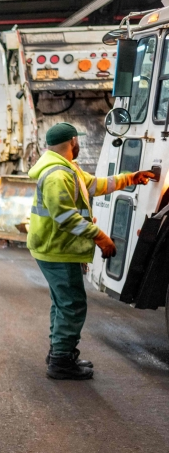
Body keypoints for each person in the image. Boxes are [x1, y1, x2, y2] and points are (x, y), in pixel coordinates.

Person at [28, 122, 155, 380]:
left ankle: (60, 353)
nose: (79, 145)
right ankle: (61, 361)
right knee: (72, 305)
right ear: (73, 141)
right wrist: (101, 237)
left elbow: (97, 185)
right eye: (78, 141)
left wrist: (132, 178)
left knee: (63, 303)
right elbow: (66, 218)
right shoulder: (57, 176)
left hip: (57, 248)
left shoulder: (67, 169)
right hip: (57, 249)